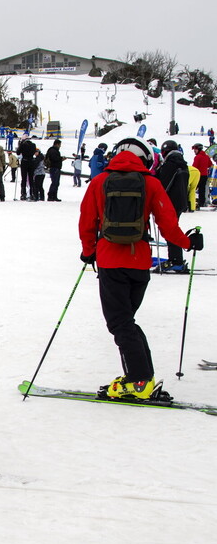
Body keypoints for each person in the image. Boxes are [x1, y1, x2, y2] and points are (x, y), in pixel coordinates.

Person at [79, 137, 202, 400]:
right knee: (126, 322)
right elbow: (168, 225)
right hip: (139, 264)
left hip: (111, 261)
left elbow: (87, 222)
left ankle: (138, 381)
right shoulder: (151, 183)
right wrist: (188, 242)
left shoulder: (100, 182)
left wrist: (89, 252)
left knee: (121, 323)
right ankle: (142, 375)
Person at [156, 140, 190, 269]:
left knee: (169, 230)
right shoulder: (183, 164)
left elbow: (163, 185)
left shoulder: (171, 164)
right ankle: (176, 258)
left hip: (170, 202)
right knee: (172, 229)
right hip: (179, 202)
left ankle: (176, 260)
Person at [191, 143, 213, 208]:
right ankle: (202, 202)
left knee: (193, 189)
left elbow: (194, 167)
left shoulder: (197, 157)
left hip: (197, 175)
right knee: (202, 190)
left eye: (195, 149)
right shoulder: (206, 156)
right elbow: (210, 164)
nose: (194, 151)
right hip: (204, 175)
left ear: (199, 149)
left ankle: (193, 202)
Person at [17, 135, 36, 200]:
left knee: (24, 178)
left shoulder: (23, 145)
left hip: (24, 161)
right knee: (31, 178)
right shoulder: (33, 145)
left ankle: (23, 193)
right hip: (31, 161)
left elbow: (18, 152)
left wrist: (20, 146)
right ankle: (32, 193)